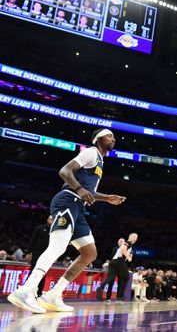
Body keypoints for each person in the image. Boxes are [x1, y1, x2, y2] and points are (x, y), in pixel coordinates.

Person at [9, 129, 126, 313]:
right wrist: (79, 188)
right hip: (68, 200)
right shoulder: (91, 152)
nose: (114, 138)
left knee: (89, 253)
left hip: (78, 207)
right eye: (109, 135)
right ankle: (25, 290)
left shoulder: (100, 161)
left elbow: (89, 192)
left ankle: (53, 294)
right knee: (58, 246)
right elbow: (64, 171)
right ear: (98, 139)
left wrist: (107, 198)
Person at [97, 233, 137, 301]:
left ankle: (100, 288)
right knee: (126, 277)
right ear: (130, 237)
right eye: (134, 237)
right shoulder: (129, 242)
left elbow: (123, 251)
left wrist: (129, 256)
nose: (135, 239)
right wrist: (128, 257)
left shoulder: (128, 245)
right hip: (119, 261)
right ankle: (120, 296)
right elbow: (123, 250)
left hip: (113, 261)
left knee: (110, 277)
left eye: (136, 237)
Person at [27, 216, 53, 297]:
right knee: (33, 272)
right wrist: (29, 253)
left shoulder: (55, 231)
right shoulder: (40, 228)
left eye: (52, 219)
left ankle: (39, 292)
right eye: (50, 219)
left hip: (47, 255)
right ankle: (28, 291)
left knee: (42, 274)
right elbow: (33, 241)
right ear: (47, 219)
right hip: (36, 254)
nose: (51, 220)